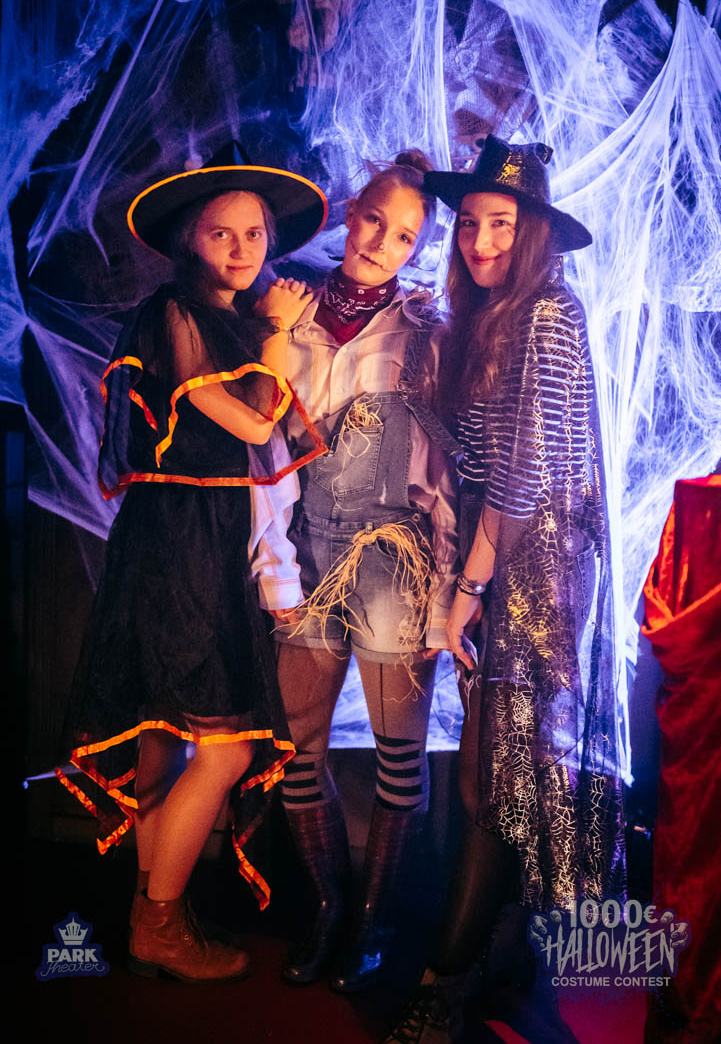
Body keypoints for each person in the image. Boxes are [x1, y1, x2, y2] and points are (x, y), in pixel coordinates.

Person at [56, 150, 327, 982]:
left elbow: (260, 469)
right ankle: (158, 922)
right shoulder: (176, 312)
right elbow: (251, 426)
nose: (242, 249)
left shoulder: (226, 319)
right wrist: (278, 332)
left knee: (167, 743)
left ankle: (154, 909)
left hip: (195, 541)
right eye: (221, 234)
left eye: (254, 234)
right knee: (223, 747)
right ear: (188, 240)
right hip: (178, 547)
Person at [383, 134, 626, 1042]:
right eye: (470, 225)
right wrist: (427, 369)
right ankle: (498, 958)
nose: (480, 242)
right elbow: (480, 458)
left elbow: (525, 475)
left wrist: (468, 588)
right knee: (494, 777)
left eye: (500, 225)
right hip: (503, 552)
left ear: (532, 235)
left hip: (538, 566)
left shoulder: (550, 313)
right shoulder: (486, 318)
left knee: (497, 778)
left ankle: (445, 981)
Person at [252, 150, 460, 991]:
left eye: (403, 235)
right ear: (349, 212)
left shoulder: (425, 333)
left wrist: (443, 603)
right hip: (305, 552)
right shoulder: (285, 314)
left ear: (417, 248)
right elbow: (262, 457)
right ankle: (328, 907)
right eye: (374, 219)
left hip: (393, 567)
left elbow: (443, 483)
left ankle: (373, 920)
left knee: (396, 755)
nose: (381, 241)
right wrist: (273, 571)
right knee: (296, 749)